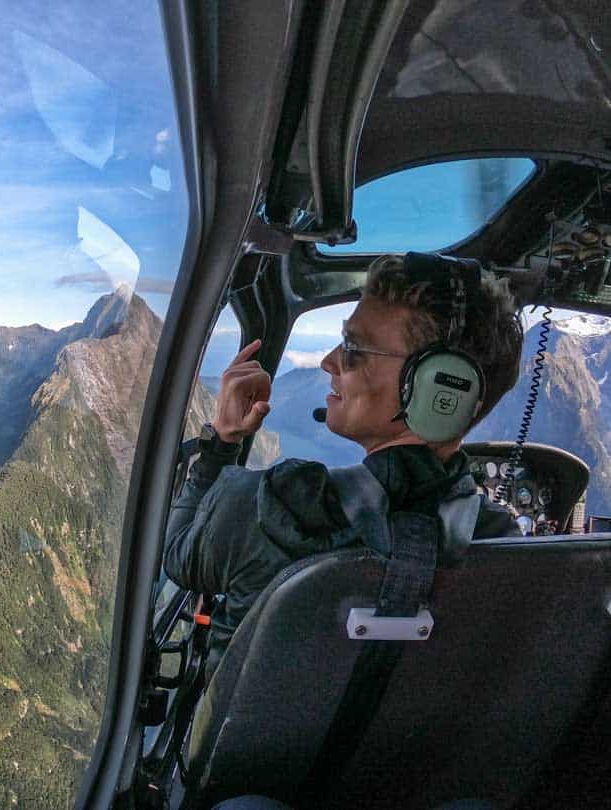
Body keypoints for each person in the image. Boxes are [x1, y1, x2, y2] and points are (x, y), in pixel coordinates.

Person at [164, 253, 524, 675]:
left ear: (440, 387)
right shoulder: (503, 547)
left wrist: (222, 442)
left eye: (353, 349)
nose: (329, 361)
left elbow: (175, 550)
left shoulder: (272, 508)